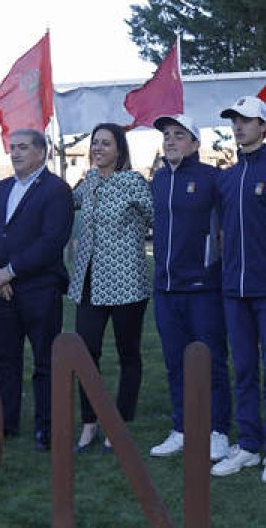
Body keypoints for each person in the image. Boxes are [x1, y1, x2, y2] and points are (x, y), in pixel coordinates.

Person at [209, 96, 266, 484]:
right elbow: (219, 231)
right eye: (234, 120)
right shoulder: (226, 178)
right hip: (234, 289)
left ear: (264, 127)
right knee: (244, 369)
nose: (238, 126)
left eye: (246, 120)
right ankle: (248, 444)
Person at [0, 129, 73, 448]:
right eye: (12, 147)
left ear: (41, 152)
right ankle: (2, 423)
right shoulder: (2, 189)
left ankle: (47, 428)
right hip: (0, 291)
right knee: (2, 360)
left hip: (39, 289)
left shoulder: (56, 190)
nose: (15, 153)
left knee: (45, 361)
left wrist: (10, 272)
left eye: (23, 147)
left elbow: (52, 240)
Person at [147, 114, 232, 462]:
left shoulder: (213, 179)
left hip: (203, 287)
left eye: (179, 135)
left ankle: (218, 430)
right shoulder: (158, 179)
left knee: (211, 361)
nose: (170, 140)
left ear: (196, 144)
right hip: (166, 288)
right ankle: (182, 427)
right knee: (174, 362)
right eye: (167, 135)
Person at [69, 123, 154, 453]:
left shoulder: (133, 182)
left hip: (126, 283)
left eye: (105, 143)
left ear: (119, 150)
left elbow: (156, 217)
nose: (98, 148)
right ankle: (89, 423)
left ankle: (118, 425)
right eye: (95, 143)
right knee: (85, 353)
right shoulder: (88, 182)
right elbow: (65, 201)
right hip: (89, 283)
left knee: (127, 354)